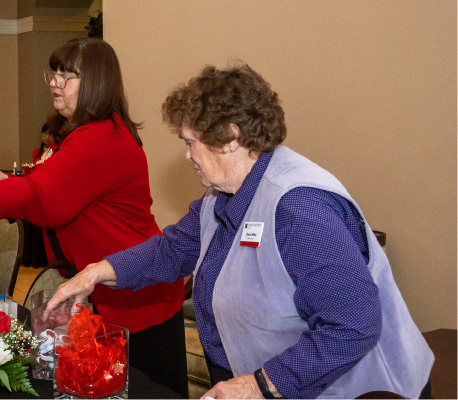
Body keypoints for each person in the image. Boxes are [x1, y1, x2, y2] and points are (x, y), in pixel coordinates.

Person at [45, 64, 434, 399]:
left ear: (230, 137)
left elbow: (352, 325)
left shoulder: (300, 209)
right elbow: (171, 250)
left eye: (190, 142)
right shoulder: (224, 195)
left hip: (353, 388)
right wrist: (94, 274)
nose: (187, 155)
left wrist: (259, 386)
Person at [0, 38, 189, 397]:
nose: (55, 82)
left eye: (67, 75)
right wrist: (7, 181)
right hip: (117, 290)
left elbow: (42, 198)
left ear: (96, 84)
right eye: (53, 73)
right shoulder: (91, 133)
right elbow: (58, 192)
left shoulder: (99, 139)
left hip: (137, 298)